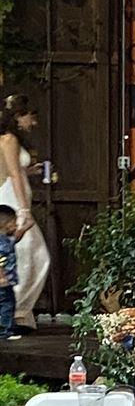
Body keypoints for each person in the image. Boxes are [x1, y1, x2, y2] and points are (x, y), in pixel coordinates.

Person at [0, 94, 50, 333]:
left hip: (16, 196)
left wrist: (30, 171)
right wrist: (24, 210)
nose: (34, 122)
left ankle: (17, 312)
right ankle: (13, 311)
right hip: (12, 199)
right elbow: (12, 175)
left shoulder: (12, 139)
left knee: (29, 254)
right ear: (19, 116)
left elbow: (16, 171)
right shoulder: (9, 139)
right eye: (31, 117)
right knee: (30, 253)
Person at [0, 205, 20, 340]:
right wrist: (1, 277)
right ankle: (5, 331)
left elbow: (16, 237)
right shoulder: (2, 244)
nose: (16, 225)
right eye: (14, 222)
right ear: (6, 224)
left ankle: (7, 327)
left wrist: (26, 226)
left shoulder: (6, 239)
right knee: (7, 304)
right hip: (3, 282)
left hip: (5, 281)